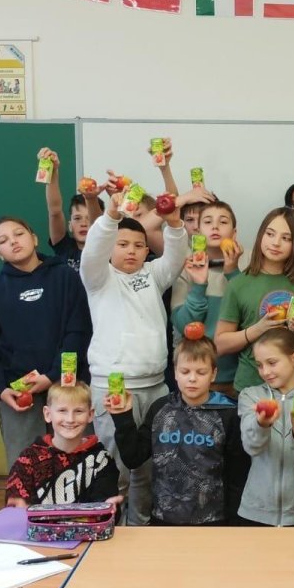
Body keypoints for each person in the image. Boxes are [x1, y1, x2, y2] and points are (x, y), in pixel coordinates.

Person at [80, 187, 187, 526]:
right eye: (122, 244)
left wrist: (175, 225)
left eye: (139, 245)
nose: (131, 250)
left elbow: (176, 256)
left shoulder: (153, 275)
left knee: (150, 468)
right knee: (114, 469)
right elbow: (93, 251)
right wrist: (110, 215)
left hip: (155, 387)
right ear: (110, 246)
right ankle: (107, 527)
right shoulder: (97, 277)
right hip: (113, 386)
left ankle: (140, 529)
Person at [0, 216, 91, 470]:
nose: (13, 242)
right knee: (27, 468)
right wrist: (0, 389)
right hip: (19, 393)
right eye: (3, 240)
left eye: (19, 234)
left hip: (67, 385)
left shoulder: (66, 277)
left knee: (77, 465)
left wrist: (52, 376)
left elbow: (78, 331)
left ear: (34, 238)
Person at [109, 335, 248, 526]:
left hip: (213, 522)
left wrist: (234, 523)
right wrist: (122, 417)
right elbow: (133, 458)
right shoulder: (161, 409)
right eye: (185, 371)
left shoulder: (228, 413)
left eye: (201, 372)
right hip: (163, 520)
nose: (192, 378)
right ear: (175, 372)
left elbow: (237, 474)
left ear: (213, 374)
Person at [214, 207, 294, 393]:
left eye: (286, 238)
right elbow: (220, 344)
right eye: (270, 234)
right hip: (252, 389)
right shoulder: (238, 284)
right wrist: (258, 329)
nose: (276, 243)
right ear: (261, 235)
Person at [236, 328, 294, 526]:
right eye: (259, 365)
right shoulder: (250, 396)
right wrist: (262, 423)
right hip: (254, 513)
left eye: (272, 363)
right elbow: (252, 447)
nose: (265, 372)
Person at [4, 382, 120, 507]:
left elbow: (105, 506)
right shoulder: (29, 459)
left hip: (85, 521)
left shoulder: (101, 460)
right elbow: (15, 502)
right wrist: (18, 509)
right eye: (62, 410)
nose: (70, 419)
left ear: (90, 415)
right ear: (48, 414)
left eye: (78, 411)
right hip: (39, 521)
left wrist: (107, 507)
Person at [170, 200, 245, 394]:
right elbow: (184, 325)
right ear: (198, 231)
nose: (215, 227)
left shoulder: (247, 268)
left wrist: (233, 272)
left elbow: (250, 317)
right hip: (195, 379)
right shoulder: (185, 268)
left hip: (238, 380)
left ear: (234, 233)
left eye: (223, 222)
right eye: (208, 221)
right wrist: (199, 284)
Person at [38, 147, 101, 271]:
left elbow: (99, 228)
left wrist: (91, 199)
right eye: (77, 218)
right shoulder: (65, 247)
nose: (83, 224)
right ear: (70, 225)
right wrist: (53, 171)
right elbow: (55, 211)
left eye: (89, 219)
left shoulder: (108, 249)